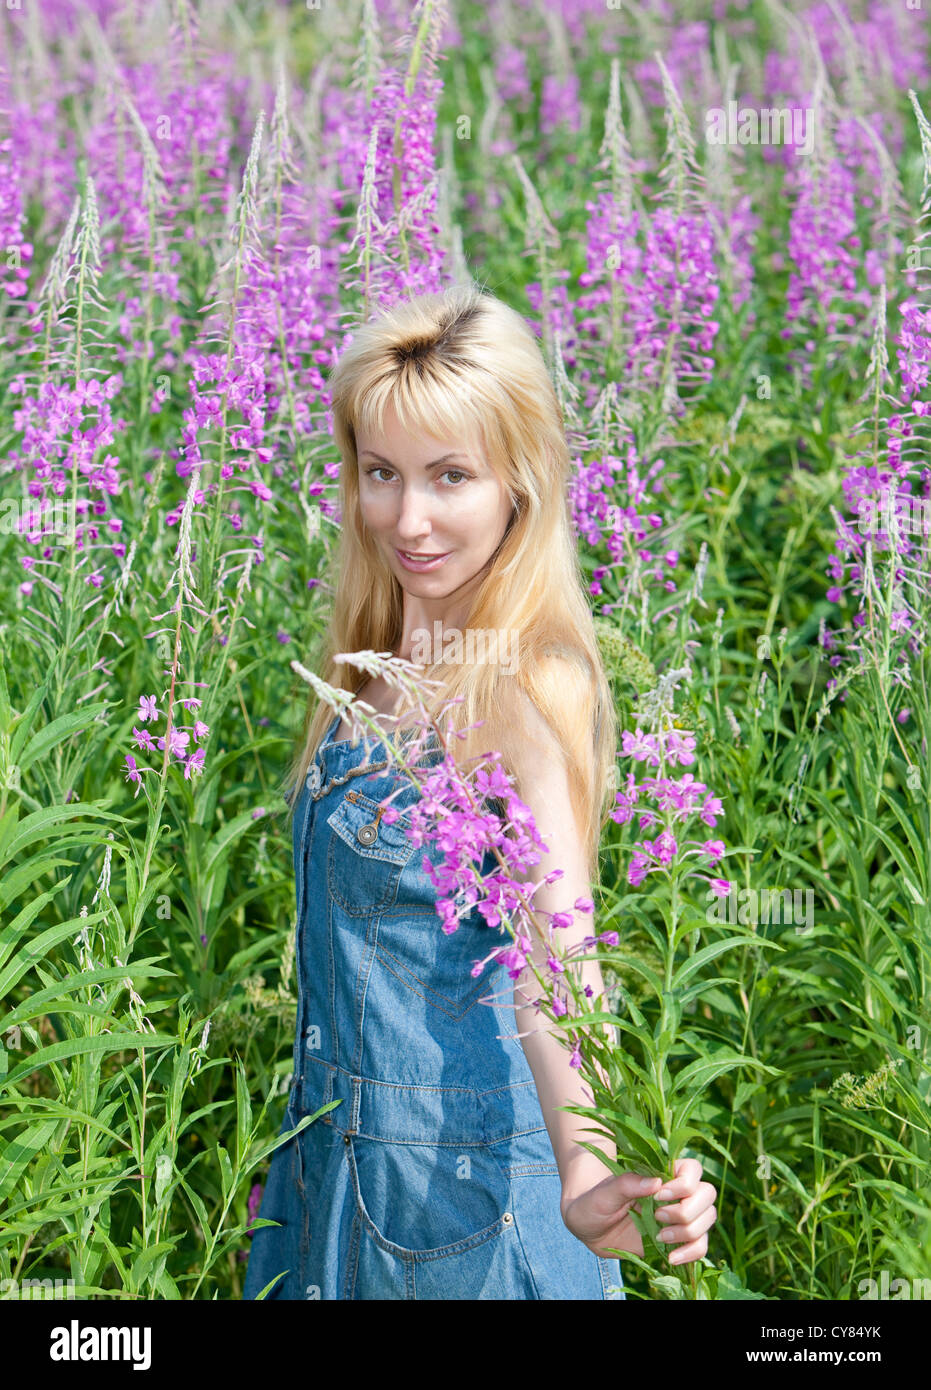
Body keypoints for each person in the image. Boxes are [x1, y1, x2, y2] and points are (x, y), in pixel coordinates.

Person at [242, 282, 717, 1300]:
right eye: (381, 474)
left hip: (460, 1215)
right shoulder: (365, 667)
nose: (406, 518)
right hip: (331, 1183)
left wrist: (587, 1165)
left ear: (519, 483)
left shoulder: (521, 683)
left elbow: (557, 951)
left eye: (449, 476)